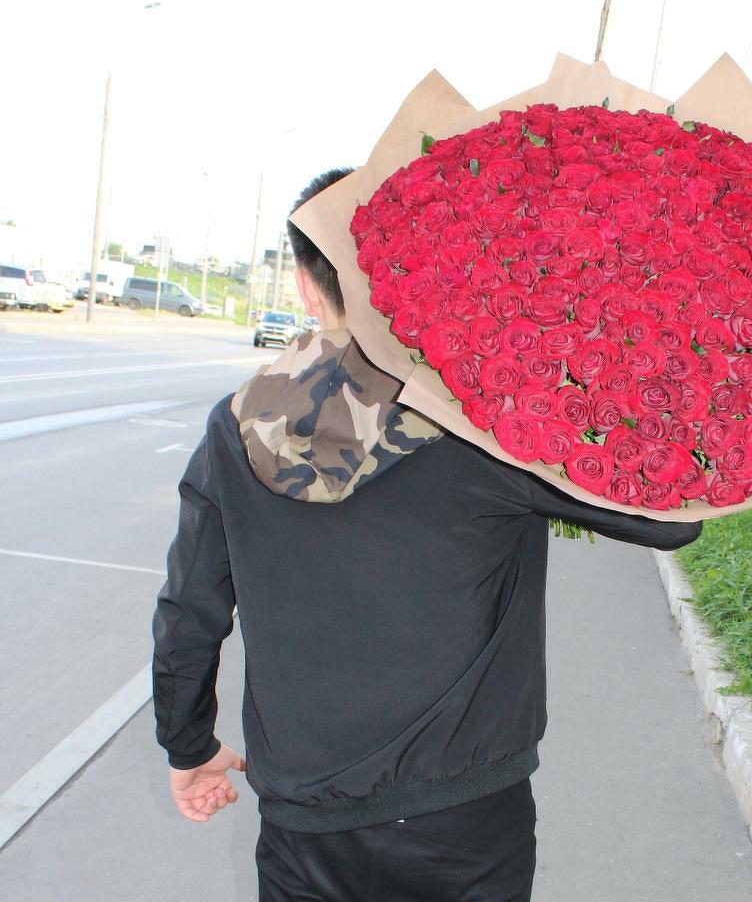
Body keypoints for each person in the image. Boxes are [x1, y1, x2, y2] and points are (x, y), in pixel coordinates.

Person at [152, 167, 703, 902]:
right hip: (463, 821)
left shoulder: (234, 428)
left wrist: (188, 744)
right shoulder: (484, 420)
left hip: (306, 823)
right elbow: (671, 519)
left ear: (308, 288)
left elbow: (189, 609)